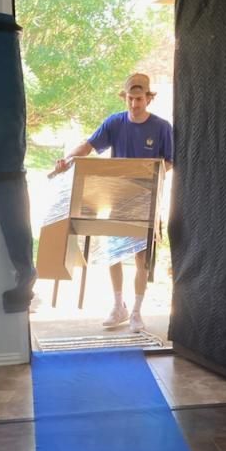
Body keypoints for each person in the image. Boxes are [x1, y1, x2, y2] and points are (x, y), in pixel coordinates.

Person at [53, 73, 173, 332]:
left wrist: (148, 172)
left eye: (139, 99)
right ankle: (119, 305)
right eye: (130, 99)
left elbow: (170, 162)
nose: (134, 104)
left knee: (141, 257)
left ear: (148, 99)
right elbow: (87, 147)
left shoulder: (162, 127)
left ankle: (138, 312)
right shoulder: (115, 123)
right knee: (114, 253)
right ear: (125, 97)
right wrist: (66, 161)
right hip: (116, 196)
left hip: (146, 197)